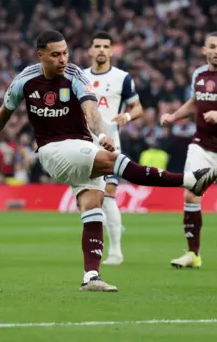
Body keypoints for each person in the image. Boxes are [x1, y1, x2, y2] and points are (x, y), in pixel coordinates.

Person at [0, 30, 217, 292]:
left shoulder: (76, 75)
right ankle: (190, 180)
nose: (63, 59)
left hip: (82, 145)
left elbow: (91, 109)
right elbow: (2, 114)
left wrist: (100, 135)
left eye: (65, 52)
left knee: (93, 204)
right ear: (40, 55)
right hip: (53, 150)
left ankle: (91, 276)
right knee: (113, 162)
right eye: (55, 54)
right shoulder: (25, 80)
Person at [161, 32, 217, 269]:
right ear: (205, 50)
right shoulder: (198, 74)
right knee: (191, 194)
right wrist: (174, 116)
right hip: (201, 144)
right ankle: (193, 254)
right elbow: (194, 102)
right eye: (213, 47)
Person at [82, 31, 144, 266]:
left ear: (111, 51)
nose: (101, 50)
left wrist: (127, 116)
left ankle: (116, 251)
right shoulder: (80, 77)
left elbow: (138, 108)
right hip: (85, 145)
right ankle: (96, 247)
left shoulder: (122, 78)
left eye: (105, 46)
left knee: (108, 194)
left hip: (110, 144)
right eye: (96, 46)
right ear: (90, 50)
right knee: (91, 198)